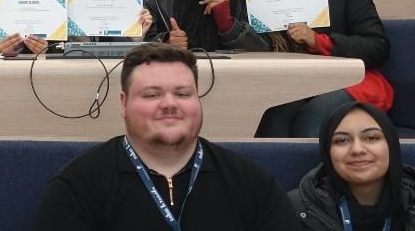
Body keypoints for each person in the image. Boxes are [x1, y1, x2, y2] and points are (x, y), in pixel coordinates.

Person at [33, 43, 302, 230]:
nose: (169, 104)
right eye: (152, 95)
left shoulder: (252, 184)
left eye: (183, 94)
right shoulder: (77, 186)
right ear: (123, 104)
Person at [247, 0, 392, 138]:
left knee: (311, 120)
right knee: (272, 120)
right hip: (296, 85)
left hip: (351, 81)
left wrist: (318, 41)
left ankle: (315, 176)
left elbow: (377, 47)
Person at [289, 102, 415, 231]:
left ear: (391, 145)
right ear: (327, 152)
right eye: (342, 140)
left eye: (371, 137)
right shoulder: (294, 208)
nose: (357, 150)